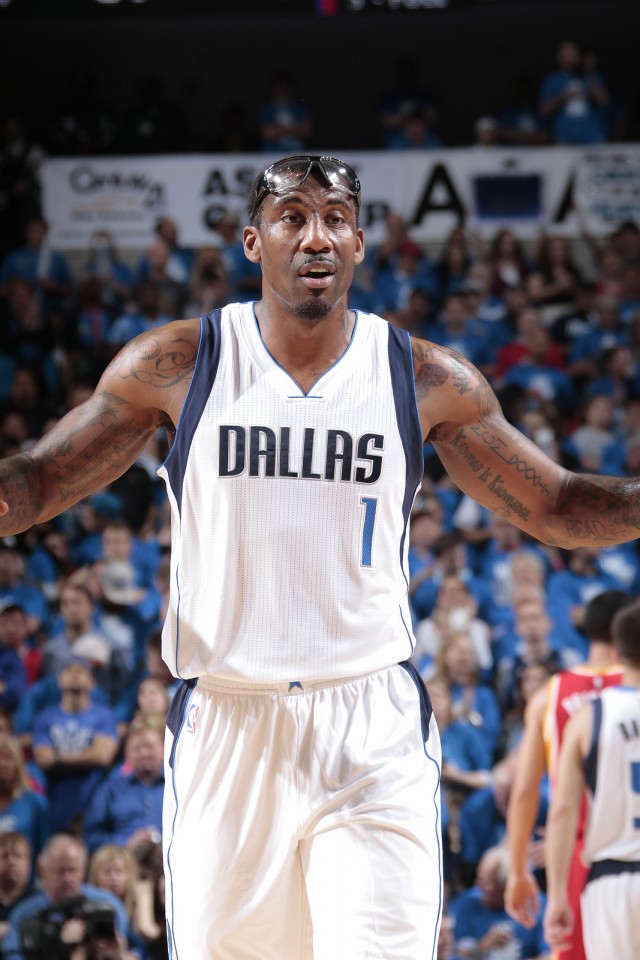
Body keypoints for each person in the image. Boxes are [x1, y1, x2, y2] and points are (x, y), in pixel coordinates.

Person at [0, 154, 640, 957]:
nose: (316, 235)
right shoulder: (181, 363)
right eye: (293, 216)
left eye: (336, 218)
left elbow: (555, 503)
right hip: (228, 718)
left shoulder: (421, 376)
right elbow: (39, 480)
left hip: (368, 725)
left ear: (361, 243)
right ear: (251, 240)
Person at [505, 589, 632, 960]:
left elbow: (525, 791)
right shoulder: (636, 685)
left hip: (578, 855)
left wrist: (517, 869)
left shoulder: (549, 694)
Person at [544, 599, 640, 960]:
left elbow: (563, 811)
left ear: (617, 649)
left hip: (610, 881)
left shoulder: (588, 719)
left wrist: (556, 895)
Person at [2, 833, 129, 960]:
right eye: (60, 871)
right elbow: (12, 955)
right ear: (42, 872)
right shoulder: (25, 913)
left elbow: (130, 949)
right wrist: (63, 947)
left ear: (83, 871)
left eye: (72, 870)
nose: (67, 879)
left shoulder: (106, 905)